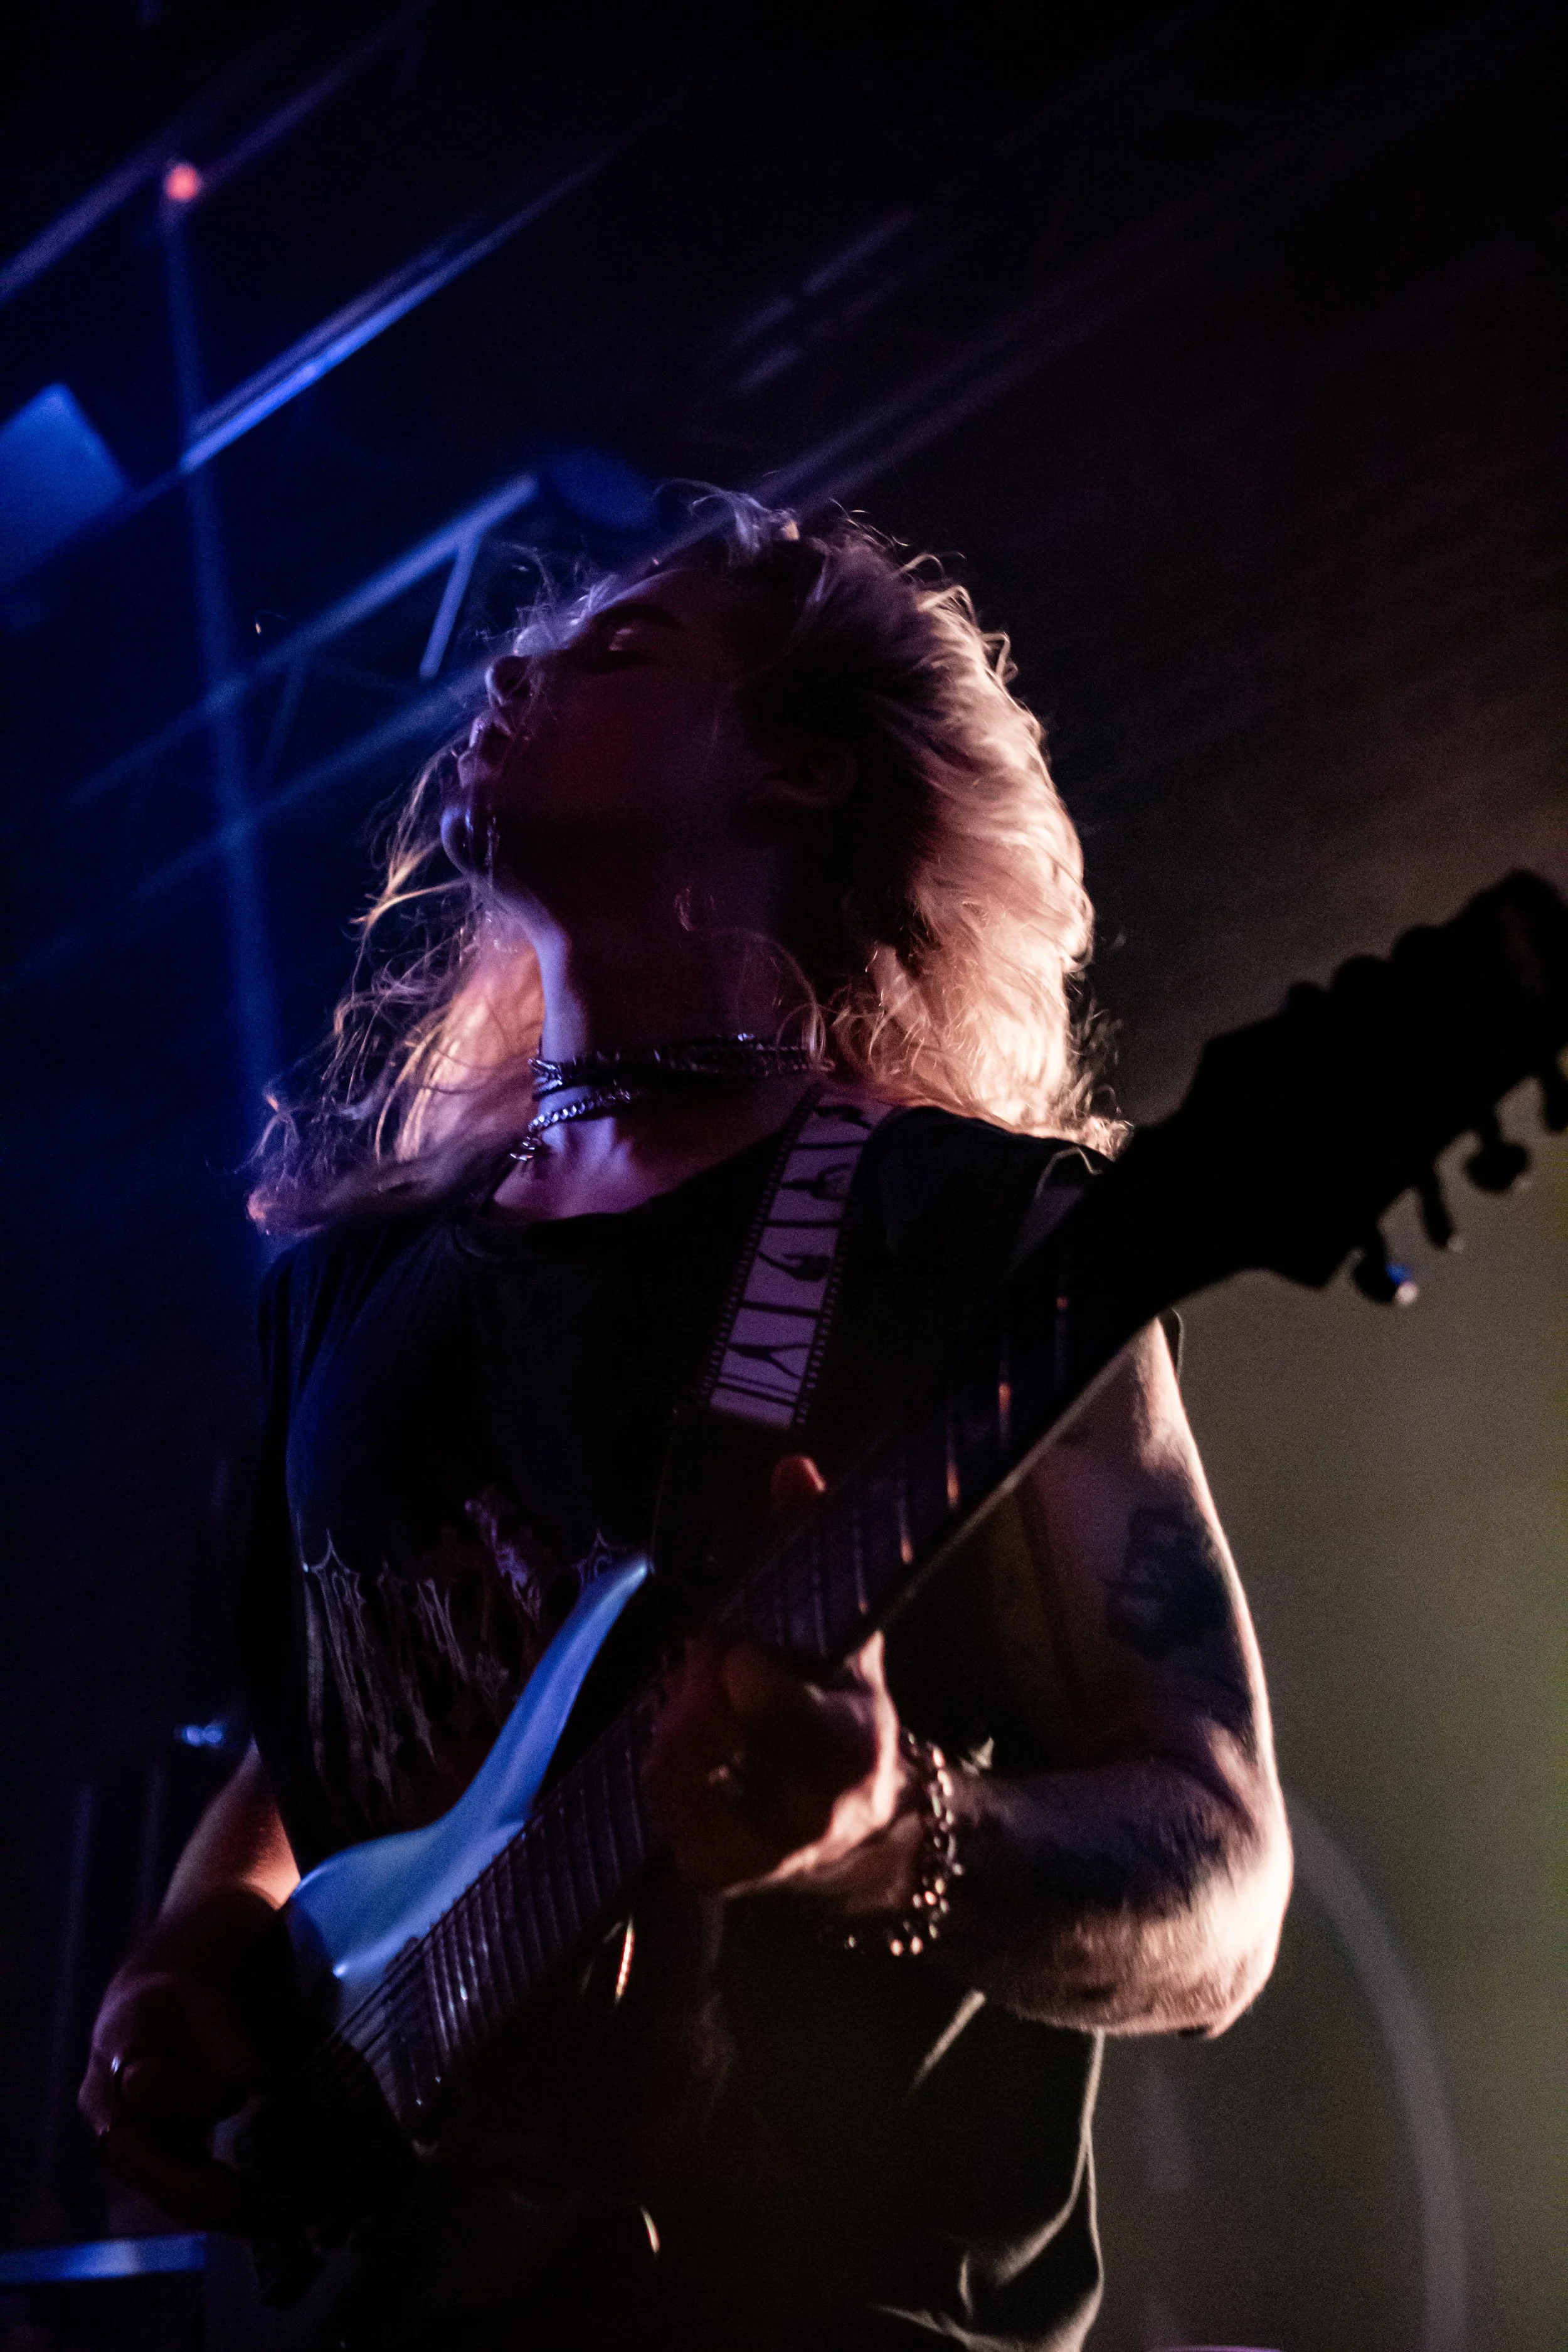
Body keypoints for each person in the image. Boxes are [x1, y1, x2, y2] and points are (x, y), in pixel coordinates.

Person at [81, 495, 1291, 2350]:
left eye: (621, 649)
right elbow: (326, 1733)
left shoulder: (971, 1233)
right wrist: (189, 1959)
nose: (512, 663)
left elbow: (1223, 1885)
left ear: (804, 767)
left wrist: (893, 1834)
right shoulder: (345, 1285)